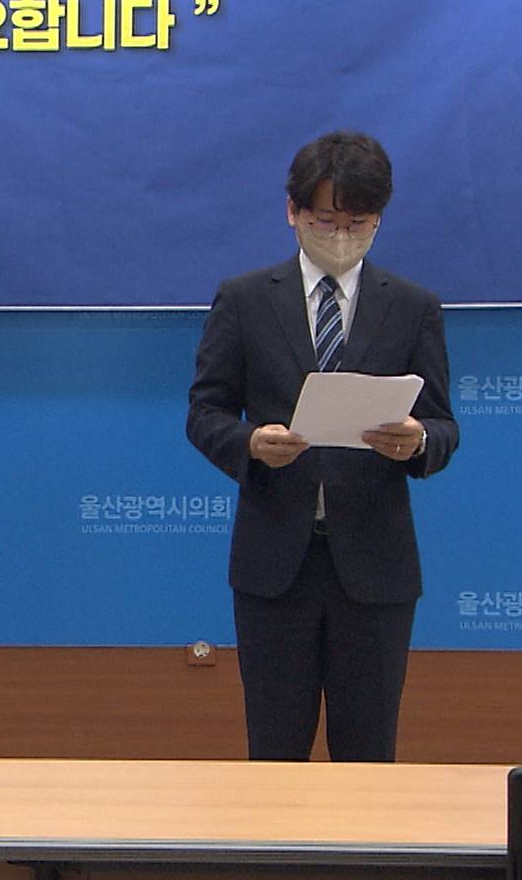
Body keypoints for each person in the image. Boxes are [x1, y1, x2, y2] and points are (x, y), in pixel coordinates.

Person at [186, 130, 457, 762]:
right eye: (326, 221)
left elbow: (443, 425)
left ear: (379, 219)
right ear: (294, 211)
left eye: (358, 223)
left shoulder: (412, 306)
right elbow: (205, 412)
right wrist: (252, 442)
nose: (341, 236)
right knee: (275, 751)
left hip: (377, 567)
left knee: (369, 754)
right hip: (275, 565)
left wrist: (418, 440)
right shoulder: (246, 299)